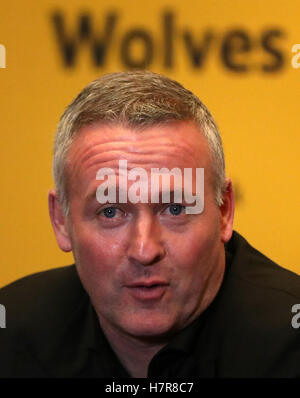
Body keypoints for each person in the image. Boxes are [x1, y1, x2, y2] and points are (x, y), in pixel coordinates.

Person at [0, 71, 299, 378]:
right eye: (111, 212)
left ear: (223, 210)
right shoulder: (12, 337)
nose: (145, 250)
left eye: (175, 208)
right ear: (61, 220)